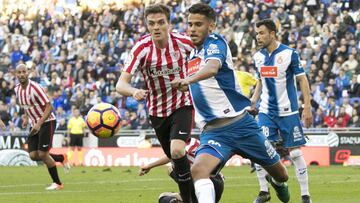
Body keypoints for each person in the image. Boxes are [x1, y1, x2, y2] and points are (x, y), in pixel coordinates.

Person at [171, 4, 290, 203]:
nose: (192, 29)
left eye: (198, 24)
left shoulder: (215, 42)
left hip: (242, 126)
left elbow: (213, 67)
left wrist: (188, 81)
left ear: (211, 26)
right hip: (214, 132)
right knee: (199, 170)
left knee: (282, 174)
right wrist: (185, 86)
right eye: (190, 24)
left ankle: (277, 183)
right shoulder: (191, 56)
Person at [115, 4, 196, 203]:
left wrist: (191, 80)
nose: (156, 27)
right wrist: (134, 91)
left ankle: (189, 199)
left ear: (169, 24)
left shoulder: (184, 43)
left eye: (161, 22)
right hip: (157, 112)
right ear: (147, 25)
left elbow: (206, 61)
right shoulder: (141, 49)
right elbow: (120, 84)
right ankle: (197, 194)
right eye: (151, 24)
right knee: (175, 160)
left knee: (178, 150)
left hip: (182, 104)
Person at [250, 19, 313, 203]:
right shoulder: (258, 57)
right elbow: (261, 81)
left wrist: (307, 107)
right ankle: (264, 191)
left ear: (272, 34)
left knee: (295, 153)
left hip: (288, 111)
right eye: (257, 33)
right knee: (261, 150)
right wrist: (253, 101)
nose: (258, 36)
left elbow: (302, 80)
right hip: (266, 111)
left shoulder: (289, 53)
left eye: (262, 33)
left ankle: (305, 196)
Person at [14, 63, 69, 191]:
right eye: (19, 72)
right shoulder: (17, 89)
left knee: (43, 154)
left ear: (28, 73)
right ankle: (61, 158)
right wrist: (26, 118)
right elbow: (26, 106)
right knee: (33, 155)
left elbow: (49, 107)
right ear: (16, 74)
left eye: (24, 72)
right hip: (34, 124)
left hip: (47, 122)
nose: (22, 74)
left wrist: (39, 123)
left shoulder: (35, 88)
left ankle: (58, 183)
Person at [139, 138, 224, 203]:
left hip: (210, 183)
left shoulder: (191, 143)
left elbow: (173, 155)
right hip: (210, 183)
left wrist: (149, 166)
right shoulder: (195, 143)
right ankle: (186, 197)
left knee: (172, 169)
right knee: (163, 198)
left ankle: (187, 198)